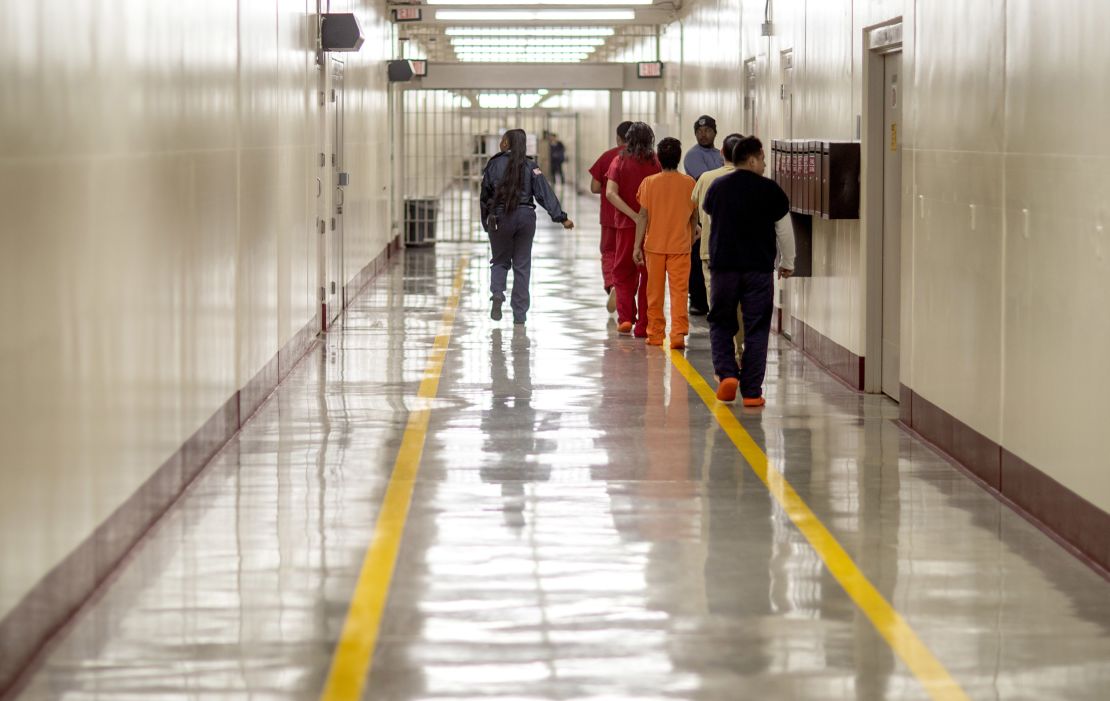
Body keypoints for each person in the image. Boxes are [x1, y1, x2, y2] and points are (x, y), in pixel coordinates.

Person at [703, 136, 794, 405]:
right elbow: (784, 231)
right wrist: (788, 262)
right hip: (758, 270)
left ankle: (727, 373)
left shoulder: (717, 187)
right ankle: (752, 392)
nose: (765, 165)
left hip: (723, 268)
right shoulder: (770, 190)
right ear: (752, 159)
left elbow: (710, 218)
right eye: (763, 160)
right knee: (756, 326)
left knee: (720, 320)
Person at [480, 128, 574, 325]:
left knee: (499, 261)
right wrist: (560, 217)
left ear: (506, 143)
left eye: (503, 139)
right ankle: (520, 315)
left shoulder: (493, 164)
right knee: (522, 265)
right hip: (525, 217)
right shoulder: (531, 166)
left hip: (500, 217)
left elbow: (485, 196)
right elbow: (544, 194)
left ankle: (497, 293)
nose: (500, 142)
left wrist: (487, 222)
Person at [631, 137, 697, 349]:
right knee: (679, 292)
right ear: (679, 158)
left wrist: (636, 246)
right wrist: (691, 236)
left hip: (655, 247)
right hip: (680, 245)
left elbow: (643, 216)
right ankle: (678, 334)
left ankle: (656, 333)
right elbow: (694, 217)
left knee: (654, 292)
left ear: (658, 158)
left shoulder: (649, 183)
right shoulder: (689, 183)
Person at [605, 122, 661, 338]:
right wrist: (643, 217)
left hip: (626, 226)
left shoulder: (619, 160)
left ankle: (626, 318)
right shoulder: (655, 162)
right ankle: (644, 324)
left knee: (622, 272)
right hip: (651, 226)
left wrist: (633, 215)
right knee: (647, 275)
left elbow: (610, 193)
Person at [692, 132, 744, 352]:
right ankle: (739, 349)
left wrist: (696, 227)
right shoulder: (752, 179)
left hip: (711, 252)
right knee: (740, 303)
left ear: (721, 153)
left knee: (717, 302)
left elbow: (693, 208)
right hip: (743, 254)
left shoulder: (706, 178)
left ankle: (723, 352)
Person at [588, 121, 633, 314]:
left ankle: (612, 285)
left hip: (609, 216)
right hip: (634, 217)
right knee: (630, 256)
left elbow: (595, 187)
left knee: (609, 253)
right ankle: (625, 293)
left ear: (618, 138)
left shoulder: (608, 157)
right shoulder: (644, 158)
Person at [682, 115, 724, 316]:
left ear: (715, 132)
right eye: (699, 131)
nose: (703, 134)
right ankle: (697, 300)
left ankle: (715, 298)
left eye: (707, 130)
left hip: (722, 212)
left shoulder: (720, 154)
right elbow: (708, 181)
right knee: (699, 257)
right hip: (701, 214)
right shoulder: (693, 155)